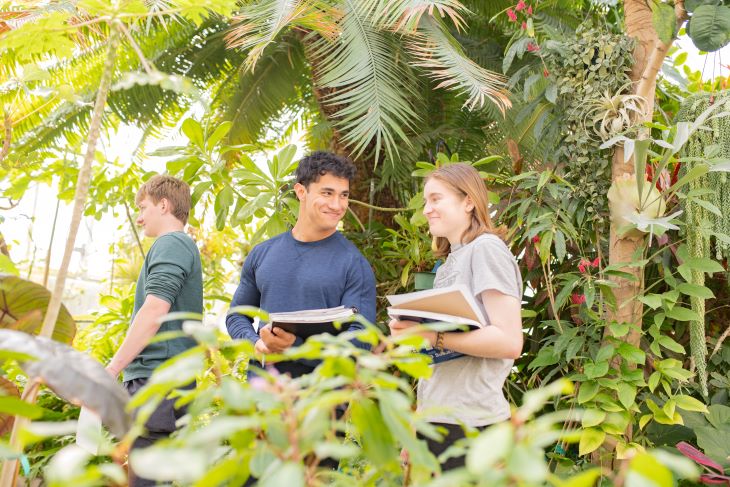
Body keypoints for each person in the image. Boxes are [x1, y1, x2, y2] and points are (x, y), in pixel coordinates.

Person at [388, 163, 523, 471]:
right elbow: (443, 361)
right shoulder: (451, 261)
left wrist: (432, 336)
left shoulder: (486, 249)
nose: (427, 209)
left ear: (468, 201)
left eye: (435, 199)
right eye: (425, 201)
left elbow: (509, 340)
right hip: (440, 423)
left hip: (473, 427)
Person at [226, 151, 376, 378]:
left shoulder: (354, 264)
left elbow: (361, 342)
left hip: (322, 402)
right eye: (327, 193)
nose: (337, 205)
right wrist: (255, 343)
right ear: (300, 192)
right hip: (263, 396)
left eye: (343, 195)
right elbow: (236, 316)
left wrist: (294, 346)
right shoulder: (262, 254)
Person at [106, 175, 202, 487]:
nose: (139, 216)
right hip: (165, 381)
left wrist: (112, 368)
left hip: (157, 382)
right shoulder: (180, 245)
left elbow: (154, 311)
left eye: (143, 207)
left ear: (164, 205)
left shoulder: (171, 243)